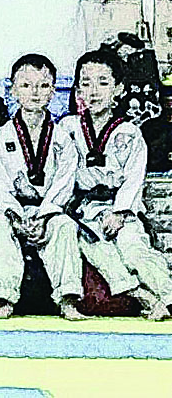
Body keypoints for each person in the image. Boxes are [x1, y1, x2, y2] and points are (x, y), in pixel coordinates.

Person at [61, 49, 172, 320]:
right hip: (83, 212)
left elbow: (134, 178)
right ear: (77, 90)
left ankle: (168, 296)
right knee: (99, 251)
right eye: (86, 83)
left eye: (103, 82)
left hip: (120, 208)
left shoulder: (130, 132)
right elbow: (60, 174)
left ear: (119, 88)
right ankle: (144, 297)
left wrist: (121, 212)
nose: (94, 91)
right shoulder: (67, 127)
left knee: (134, 250)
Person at [0, 54, 84, 319]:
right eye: (26, 86)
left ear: (53, 91)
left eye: (43, 86)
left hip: (48, 211)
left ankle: (67, 299)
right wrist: (15, 216)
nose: (35, 93)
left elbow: (64, 182)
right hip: (13, 210)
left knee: (64, 226)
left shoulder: (62, 137)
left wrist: (45, 215)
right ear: (13, 90)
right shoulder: (1, 135)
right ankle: (4, 298)